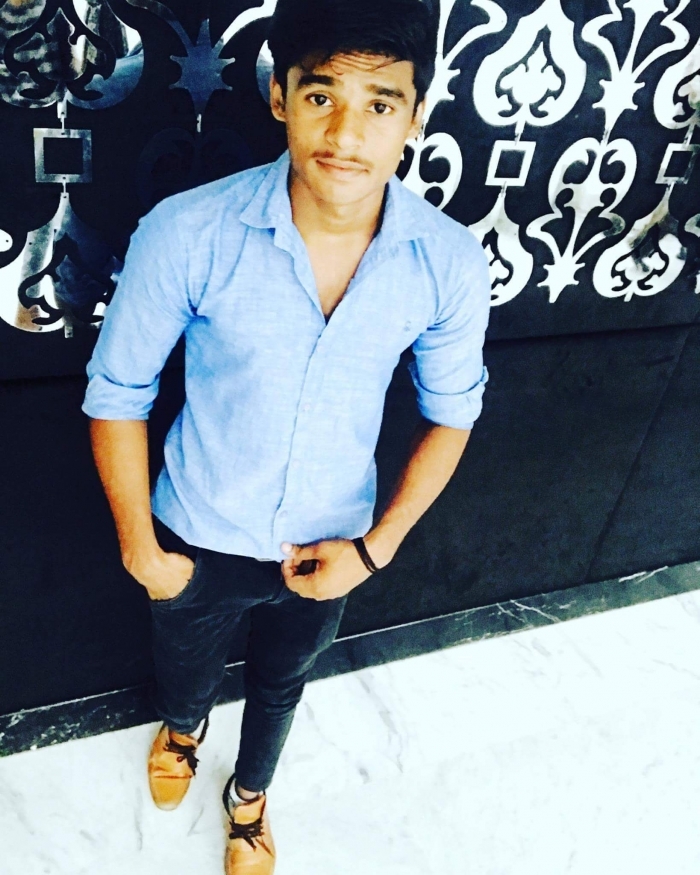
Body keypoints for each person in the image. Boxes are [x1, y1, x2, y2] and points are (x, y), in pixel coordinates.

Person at [83, 0, 490, 871]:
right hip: (195, 533)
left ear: (416, 115)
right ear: (280, 97)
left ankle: (251, 796)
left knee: (282, 684)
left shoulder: (449, 262)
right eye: (320, 95)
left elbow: (453, 414)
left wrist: (373, 551)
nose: (346, 134)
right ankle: (183, 730)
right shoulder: (187, 231)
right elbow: (117, 392)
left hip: (333, 539)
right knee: (184, 673)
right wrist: (143, 550)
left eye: (380, 103)